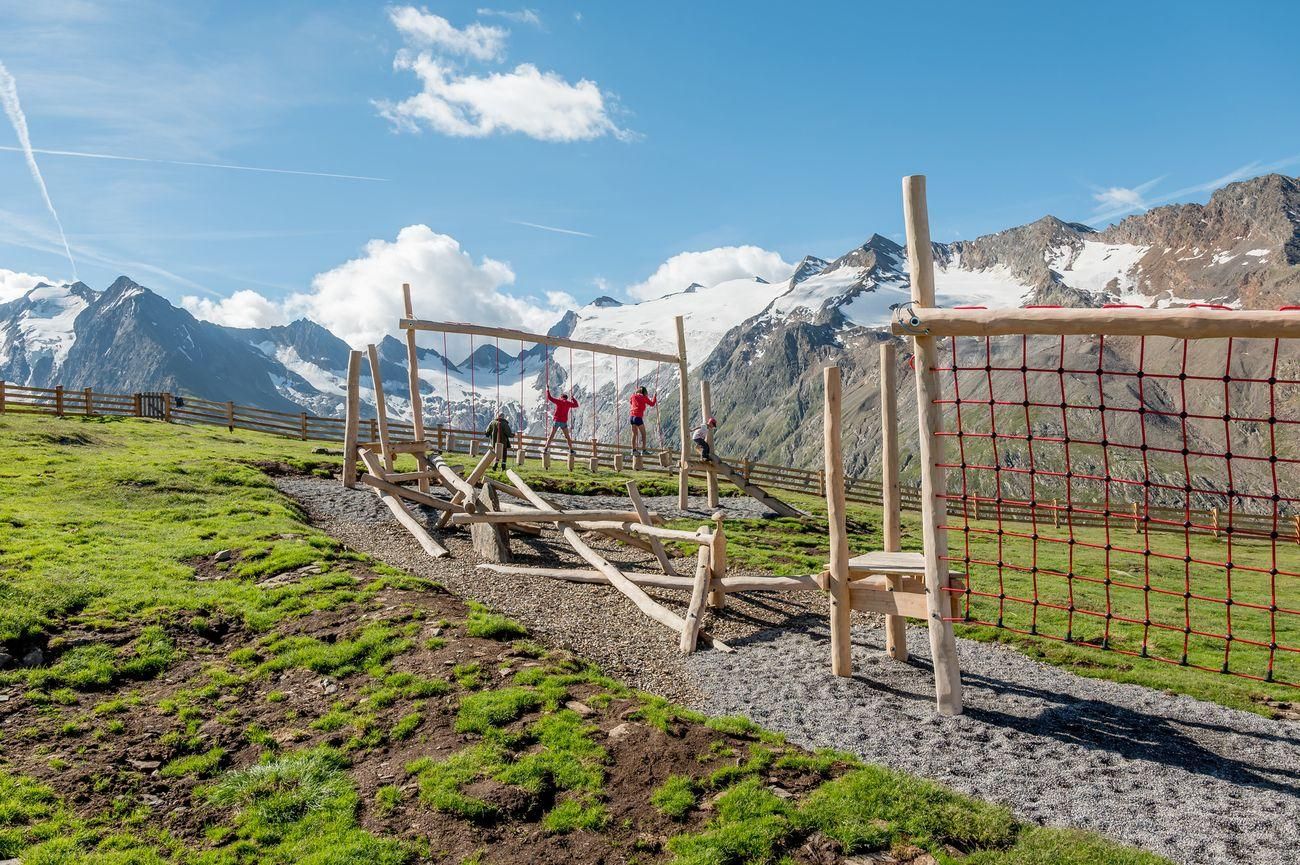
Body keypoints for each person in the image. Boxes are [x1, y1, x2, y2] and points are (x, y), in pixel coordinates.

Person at [543, 388, 579, 453]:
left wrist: (547, 390)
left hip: (556, 421)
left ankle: (545, 449)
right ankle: (571, 450)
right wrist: (573, 399)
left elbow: (550, 398)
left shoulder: (559, 401)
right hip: (563, 422)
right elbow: (576, 405)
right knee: (567, 437)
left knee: (551, 436)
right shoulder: (568, 403)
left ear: (561, 397)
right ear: (566, 398)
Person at [628, 385, 657, 455]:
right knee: (643, 434)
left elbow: (630, 402)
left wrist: (636, 394)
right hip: (638, 417)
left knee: (634, 434)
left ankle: (633, 450)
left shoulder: (633, 396)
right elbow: (652, 404)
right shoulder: (644, 397)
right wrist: (654, 397)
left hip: (632, 417)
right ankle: (643, 450)